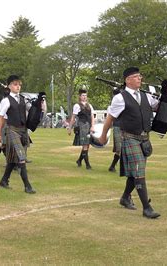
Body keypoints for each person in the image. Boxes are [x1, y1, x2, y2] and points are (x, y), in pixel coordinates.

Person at [99, 67, 160, 219]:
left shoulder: (146, 96)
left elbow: (159, 107)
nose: (140, 79)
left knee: (135, 172)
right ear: (128, 80)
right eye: (136, 76)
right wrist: (103, 135)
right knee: (139, 171)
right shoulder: (120, 98)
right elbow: (110, 119)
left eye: (140, 76)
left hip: (144, 139)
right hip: (129, 138)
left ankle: (125, 197)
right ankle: (147, 208)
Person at [0, 75, 36, 193]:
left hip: (23, 130)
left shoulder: (23, 99)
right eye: (15, 84)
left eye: (19, 84)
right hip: (11, 130)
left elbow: (29, 112)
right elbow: (1, 118)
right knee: (21, 158)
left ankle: (4, 181)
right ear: (9, 86)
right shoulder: (6, 100)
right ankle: (27, 186)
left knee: (13, 159)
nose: (18, 87)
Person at [67, 89, 95, 170]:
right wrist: (69, 128)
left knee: (87, 146)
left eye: (85, 95)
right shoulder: (77, 105)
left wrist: (93, 126)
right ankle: (87, 165)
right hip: (82, 126)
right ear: (79, 96)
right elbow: (73, 118)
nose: (84, 97)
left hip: (89, 126)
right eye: (83, 95)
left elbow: (92, 116)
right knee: (85, 145)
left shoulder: (90, 105)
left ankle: (79, 160)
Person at [108, 88, 123, 172]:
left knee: (121, 149)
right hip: (118, 126)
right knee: (119, 149)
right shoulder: (112, 106)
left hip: (122, 127)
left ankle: (113, 166)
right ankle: (113, 166)